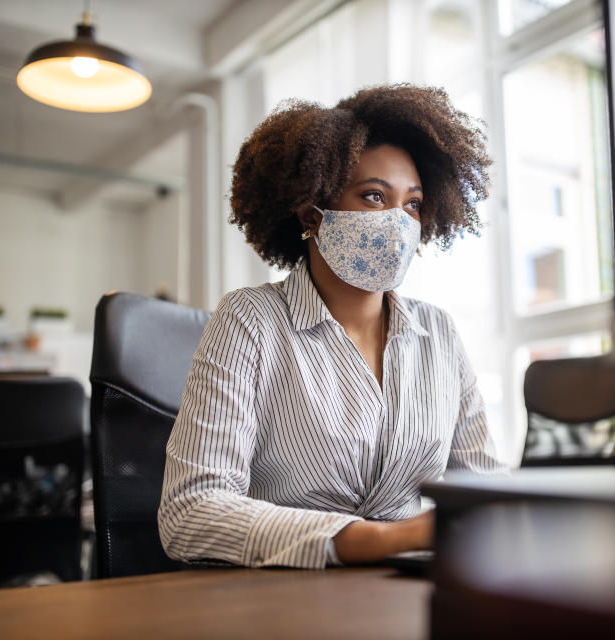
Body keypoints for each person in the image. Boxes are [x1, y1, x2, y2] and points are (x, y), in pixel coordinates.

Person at [158, 84, 506, 569]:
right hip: (280, 597)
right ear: (311, 213)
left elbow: (486, 491)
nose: (398, 222)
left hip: (407, 592)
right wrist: (383, 540)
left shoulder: (439, 333)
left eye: (412, 205)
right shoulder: (250, 321)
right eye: (373, 196)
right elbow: (190, 513)